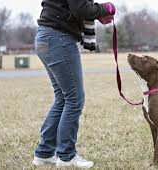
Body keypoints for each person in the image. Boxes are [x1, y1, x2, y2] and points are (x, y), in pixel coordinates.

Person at [31, 0, 115, 168]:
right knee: (74, 99)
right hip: (58, 38)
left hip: (45, 37)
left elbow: (74, 7)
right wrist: (105, 8)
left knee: (63, 98)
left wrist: (95, 13)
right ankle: (66, 156)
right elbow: (81, 8)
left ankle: (45, 153)